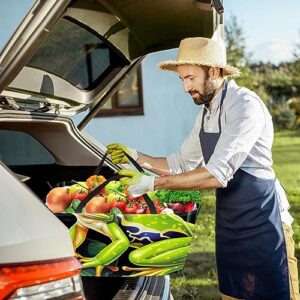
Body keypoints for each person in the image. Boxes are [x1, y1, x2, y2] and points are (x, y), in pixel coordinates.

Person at [106, 37, 299, 300]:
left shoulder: (244, 106)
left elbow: (218, 174)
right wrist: (137, 156)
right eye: (182, 79)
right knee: (233, 295)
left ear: (215, 71)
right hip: (230, 222)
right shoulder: (206, 113)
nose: (186, 87)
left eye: (191, 78)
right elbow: (181, 163)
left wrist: (152, 184)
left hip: (265, 220)